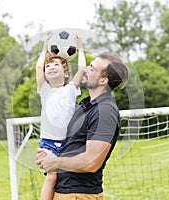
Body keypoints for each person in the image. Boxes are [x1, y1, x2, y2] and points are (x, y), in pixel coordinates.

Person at [36, 51, 128, 200]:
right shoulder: (83, 106)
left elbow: (91, 162)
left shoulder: (105, 111)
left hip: (78, 194)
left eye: (91, 68)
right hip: (64, 192)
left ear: (103, 80)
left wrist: (56, 162)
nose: (85, 69)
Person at [36, 34, 86, 200]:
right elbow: (38, 68)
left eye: (56, 64)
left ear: (65, 73)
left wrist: (80, 49)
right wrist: (44, 49)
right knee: (51, 177)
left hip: (67, 143)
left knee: (66, 179)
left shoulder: (71, 89)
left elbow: (82, 70)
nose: (50, 67)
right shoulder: (45, 90)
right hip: (48, 142)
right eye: (48, 65)